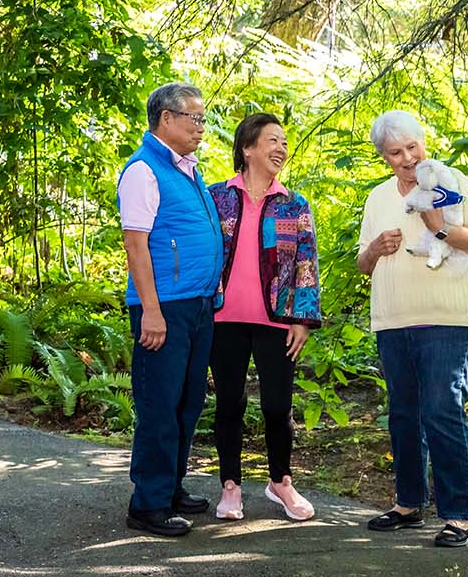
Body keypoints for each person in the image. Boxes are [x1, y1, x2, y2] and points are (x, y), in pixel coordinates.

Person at [356, 110, 468, 548]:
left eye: (412, 147)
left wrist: (441, 228)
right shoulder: (377, 198)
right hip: (393, 319)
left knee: (441, 410)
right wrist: (376, 249)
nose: (407, 158)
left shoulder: (452, 181)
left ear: (424, 143)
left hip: (447, 317)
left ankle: (458, 515)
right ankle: (408, 503)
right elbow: (362, 264)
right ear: (383, 156)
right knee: (403, 414)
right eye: (395, 152)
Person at [117, 82, 224, 536]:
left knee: (187, 402)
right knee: (160, 404)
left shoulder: (187, 169)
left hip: (198, 307)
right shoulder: (144, 170)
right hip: (164, 309)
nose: (202, 127)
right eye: (195, 118)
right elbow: (136, 246)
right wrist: (153, 311)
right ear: (166, 119)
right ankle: (148, 504)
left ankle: (171, 487)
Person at [206, 113, 322, 522]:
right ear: (247, 148)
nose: (281, 149)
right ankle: (231, 486)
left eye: (285, 143)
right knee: (229, 405)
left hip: (277, 321)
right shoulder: (215, 196)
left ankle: (280, 482)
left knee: (277, 407)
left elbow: (306, 262)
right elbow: (203, 253)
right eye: (273, 140)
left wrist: (302, 319)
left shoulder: (295, 203)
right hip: (224, 321)